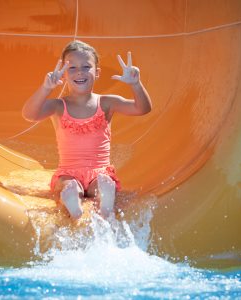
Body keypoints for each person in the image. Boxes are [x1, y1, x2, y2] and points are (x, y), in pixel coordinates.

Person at [22, 40, 152, 219]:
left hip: (99, 172)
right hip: (68, 172)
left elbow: (142, 109)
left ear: (97, 72)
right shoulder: (59, 106)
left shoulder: (106, 102)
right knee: (68, 185)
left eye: (86, 66)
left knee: (99, 184)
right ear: (64, 74)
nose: (80, 72)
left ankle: (101, 199)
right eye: (72, 68)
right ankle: (79, 201)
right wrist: (46, 88)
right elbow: (30, 114)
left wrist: (135, 84)